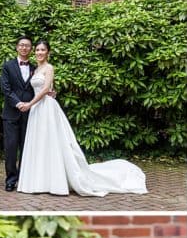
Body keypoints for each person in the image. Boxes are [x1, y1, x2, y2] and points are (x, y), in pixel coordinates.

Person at [16, 40, 147, 196]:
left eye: (42, 50)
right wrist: (50, 93)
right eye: (37, 49)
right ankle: (40, 180)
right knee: (40, 143)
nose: (39, 52)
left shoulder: (49, 67)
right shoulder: (36, 69)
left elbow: (45, 89)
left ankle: (56, 181)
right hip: (38, 109)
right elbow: (48, 88)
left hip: (46, 108)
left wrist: (30, 104)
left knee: (52, 142)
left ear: (48, 52)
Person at [0, 35, 36, 191]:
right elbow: (6, 89)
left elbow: (39, 89)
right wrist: (18, 103)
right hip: (11, 113)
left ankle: (24, 178)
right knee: (11, 147)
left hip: (31, 113)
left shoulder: (36, 68)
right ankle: (11, 179)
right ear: (17, 47)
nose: (24, 48)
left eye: (27, 45)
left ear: (31, 49)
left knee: (27, 147)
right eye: (21, 45)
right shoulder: (7, 66)